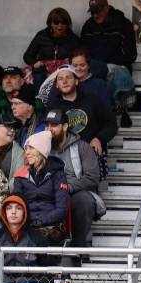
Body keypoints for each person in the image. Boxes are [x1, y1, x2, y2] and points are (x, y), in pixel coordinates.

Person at [47, 108, 103, 253]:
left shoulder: (82, 147)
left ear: (65, 127)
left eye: (54, 125)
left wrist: (68, 187)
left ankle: (78, 247)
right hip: (49, 192)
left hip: (73, 191)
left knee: (84, 199)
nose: (49, 129)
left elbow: (92, 177)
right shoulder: (43, 147)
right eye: (47, 125)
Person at [81, 0, 137, 125]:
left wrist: (105, 64)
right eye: (92, 12)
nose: (95, 15)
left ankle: (107, 113)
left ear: (107, 8)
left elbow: (131, 55)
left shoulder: (123, 24)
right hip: (94, 67)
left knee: (110, 74)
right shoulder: (88, 26)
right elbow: (82, 52)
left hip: (117, 66)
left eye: (98, 11)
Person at [45, 65, 117, 155]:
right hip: (64, 157)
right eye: (60, 79)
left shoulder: (93, 100)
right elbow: (48, 132)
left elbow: (111, 124)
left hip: (92, 154)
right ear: (56, 85)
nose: (64, 81)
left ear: (76, 81)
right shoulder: (53, 107)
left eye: (68, 77)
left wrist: (98, 138)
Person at [12, 131, 69, 243]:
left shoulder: (58, 174)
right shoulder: (20, 175)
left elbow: (61, 209)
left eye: (31, 148)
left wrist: (41, 221)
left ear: (42, 151)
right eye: (26, 149)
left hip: (52, 225)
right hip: (27, 223)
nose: (27, 152)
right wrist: (29, 221)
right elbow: (17, 205)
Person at [24, 7, 82, 84]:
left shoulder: (74, 39)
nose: (60, 25)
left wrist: (71, 61)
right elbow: (27, 56)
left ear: (67, 24)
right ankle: (40, 95)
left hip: (63, 71)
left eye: (63, 22)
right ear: (50, 23)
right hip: (43, 71)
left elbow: (81, 58)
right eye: (56, 22)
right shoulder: (42, 36)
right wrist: (35, 63)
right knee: (38, 73)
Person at [0, 114, 24, 180]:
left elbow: (18, 179)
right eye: (8, 126)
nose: (12, 130)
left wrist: (4, 189)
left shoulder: (19, 152)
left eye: (13, 128)